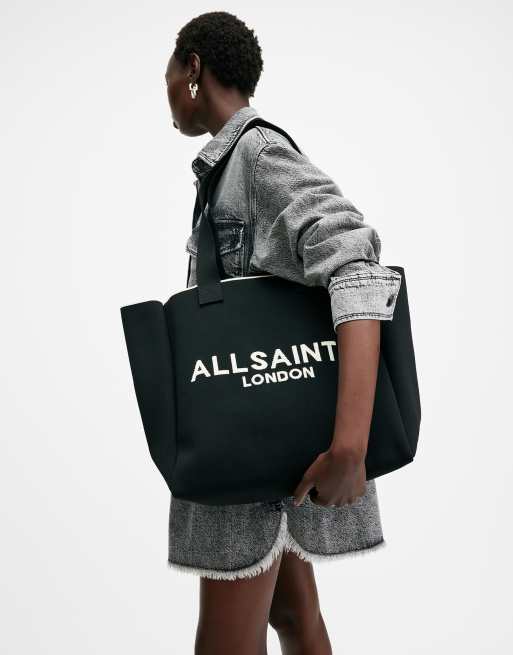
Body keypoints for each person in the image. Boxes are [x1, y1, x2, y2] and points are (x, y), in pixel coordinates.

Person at [165, 11, 402, 655]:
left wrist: (350, 447)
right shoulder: (227, 169)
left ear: (192, 68)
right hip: (273, 436)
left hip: (249, 446)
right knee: (294, 617)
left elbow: (356, 264)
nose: (167, 90)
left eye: (169, 73)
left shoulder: (259, 155)